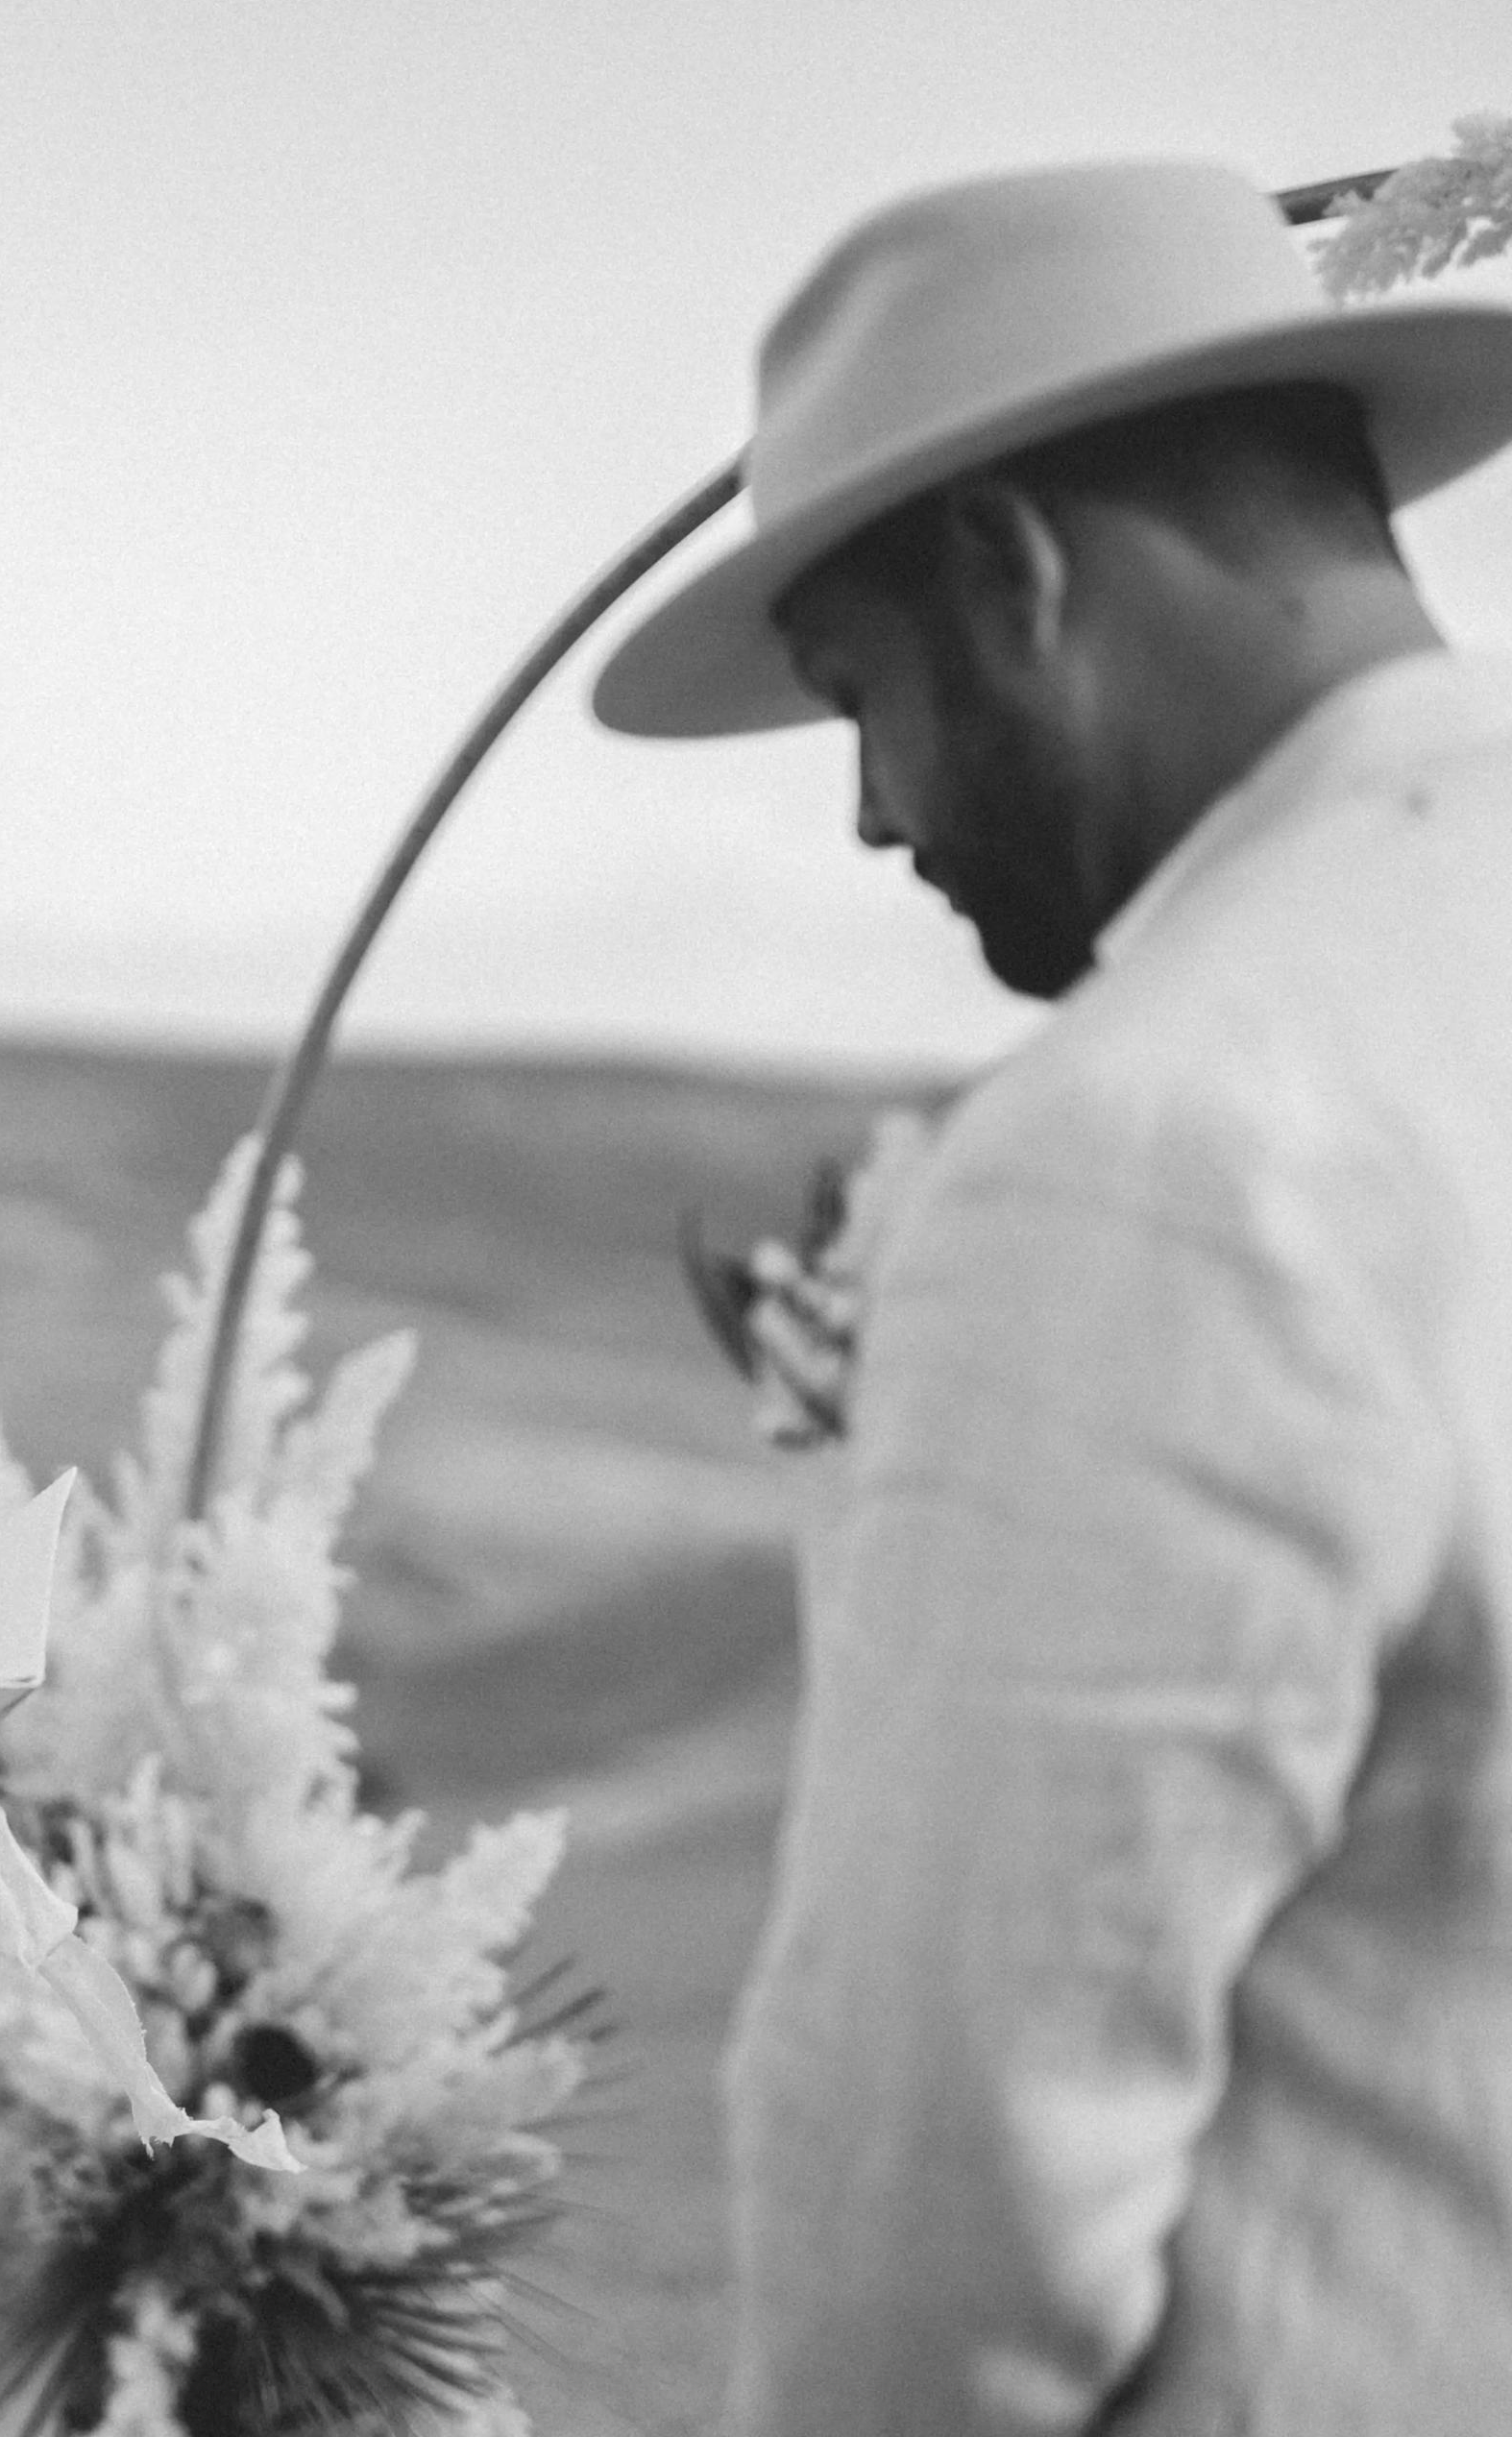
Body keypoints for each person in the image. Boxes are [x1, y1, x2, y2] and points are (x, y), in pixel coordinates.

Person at [594, 163, 1512, 2434]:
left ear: (1009, 580)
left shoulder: (1161, 1139)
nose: (877, 817)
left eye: (856, 698)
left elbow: (931, 2185)